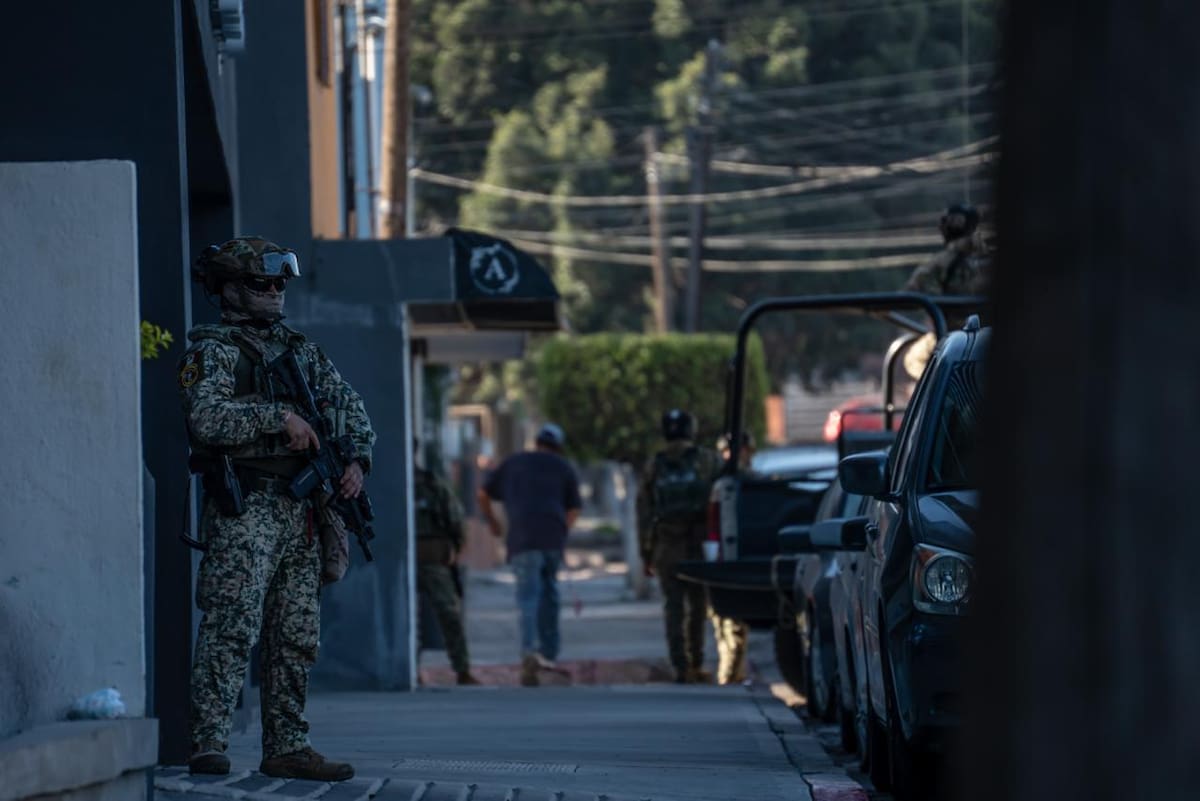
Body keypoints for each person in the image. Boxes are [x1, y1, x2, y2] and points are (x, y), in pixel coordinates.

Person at [181, 237, 374, 781]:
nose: (273, 292)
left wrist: (355, 460)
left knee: (296, 633)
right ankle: (207, 743)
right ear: (231, 290)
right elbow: (207, 419)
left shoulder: (303, 352)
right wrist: (275, 418)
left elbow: (350, 409)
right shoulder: (212, 350)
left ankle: (288, 744)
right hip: (248, 507)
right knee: (231, 625)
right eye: (261, 283)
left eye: (278, 283)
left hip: (302, 513)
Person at [478, 423, 582, 687]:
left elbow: (483, 493)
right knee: (550, 594)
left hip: (522, 539)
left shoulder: (513, 463)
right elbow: (574, 510)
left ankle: (529, 652)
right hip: (551, 540)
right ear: (558, 447)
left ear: (536, 443)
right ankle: (548, 655)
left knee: (528, 597)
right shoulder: (563, 466)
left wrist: (492, 522)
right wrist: (561, 532)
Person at [638, 410, 722, 684]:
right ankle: (696, 664)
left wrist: (646, 553)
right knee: (698, 607)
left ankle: (680, 666)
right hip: (698, 545)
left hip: (667, 546)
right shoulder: (707, 460)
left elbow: (644, 512)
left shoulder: (655, 465)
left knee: (673, 609)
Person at [414, 444, 480, 686]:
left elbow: (454, 519)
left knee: (449, 612)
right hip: (401, 564)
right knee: (406, 619)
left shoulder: (431, 485)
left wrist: (455, 548)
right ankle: (410, 669)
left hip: (432, 559)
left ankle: (462, 669)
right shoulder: (391, 484)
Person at [707, 431, 755, 686]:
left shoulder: (755, 482)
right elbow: (713, 526)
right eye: (727, 452)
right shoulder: (719, 485)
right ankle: (730, 675)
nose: (733, 457)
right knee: (722, 622)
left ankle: (730, 677)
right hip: (723, 559)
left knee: (735, 626)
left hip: (745, 560)